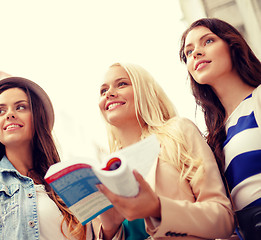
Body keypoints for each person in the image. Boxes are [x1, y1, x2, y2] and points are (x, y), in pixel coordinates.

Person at [0, 76, 124, 240]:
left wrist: (111, 226)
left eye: (20, 107)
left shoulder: (68, 180)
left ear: (38, 117)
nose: (9, 114)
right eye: (0, 111)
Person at [96, 62, 235, 239]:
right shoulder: (109, 169)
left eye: (122, 84)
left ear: (143, 89)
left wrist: (157, 208)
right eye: (103, 91)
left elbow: (223, 219)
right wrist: (110, 229)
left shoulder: (179, 132)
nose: (109, 93)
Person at [179, 18, 261, 239]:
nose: (195, 53)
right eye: (188, 52)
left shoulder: (258, 99)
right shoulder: (214, 139)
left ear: (232, 45)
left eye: (207, 41)